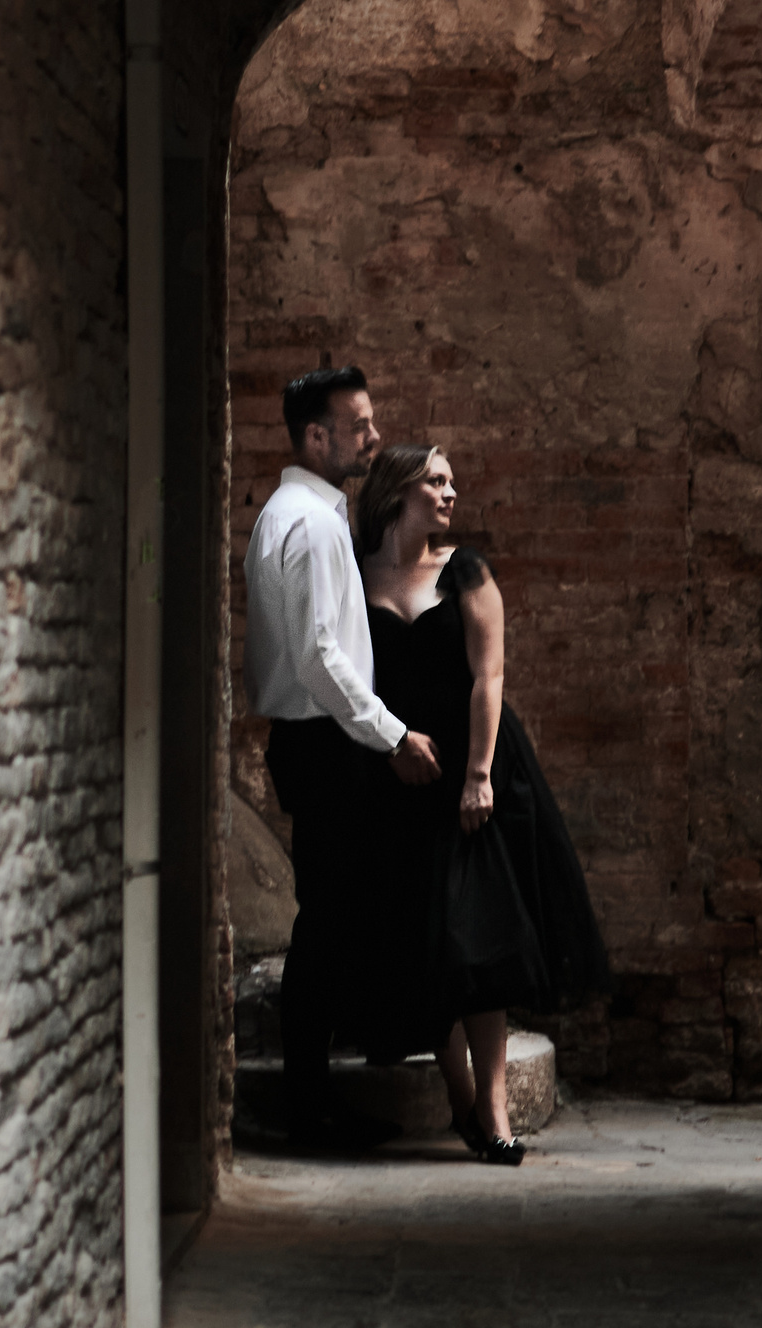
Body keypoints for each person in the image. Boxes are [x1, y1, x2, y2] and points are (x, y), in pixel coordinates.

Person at [355, 442, 614, 1167]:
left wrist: (477, 774)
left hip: (472, 770)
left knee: (480, 944)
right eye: (436, 480)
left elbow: (488, 673)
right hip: (396, 772)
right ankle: (461, 1095)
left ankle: (494, 1108)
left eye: (452, 481)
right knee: (422, 942)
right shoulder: (354, 568)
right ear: (399, 490)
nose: (450, 492)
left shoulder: (464, 568)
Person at [243, 367, 443, 1151]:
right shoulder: (317, 525)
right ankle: (312, 1108)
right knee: (326, 926)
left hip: (310, 740)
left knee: (332, 920)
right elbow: (323, 658)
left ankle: (318, 1097)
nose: (372, 435)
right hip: (326, 742)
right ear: (316, 436)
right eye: (358, 425)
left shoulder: (281, 514)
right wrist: (392, 735)